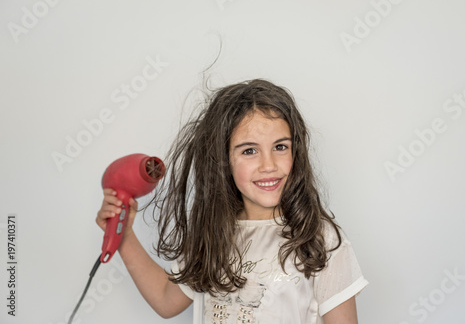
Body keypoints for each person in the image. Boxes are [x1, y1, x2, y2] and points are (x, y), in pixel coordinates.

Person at [96, 79, 368, 323]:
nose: (268, 165)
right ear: (224, 161)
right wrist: (125, 235)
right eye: (249, 151)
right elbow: (167, 301)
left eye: (280, 146)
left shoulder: (319, 238)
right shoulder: (211, 234)